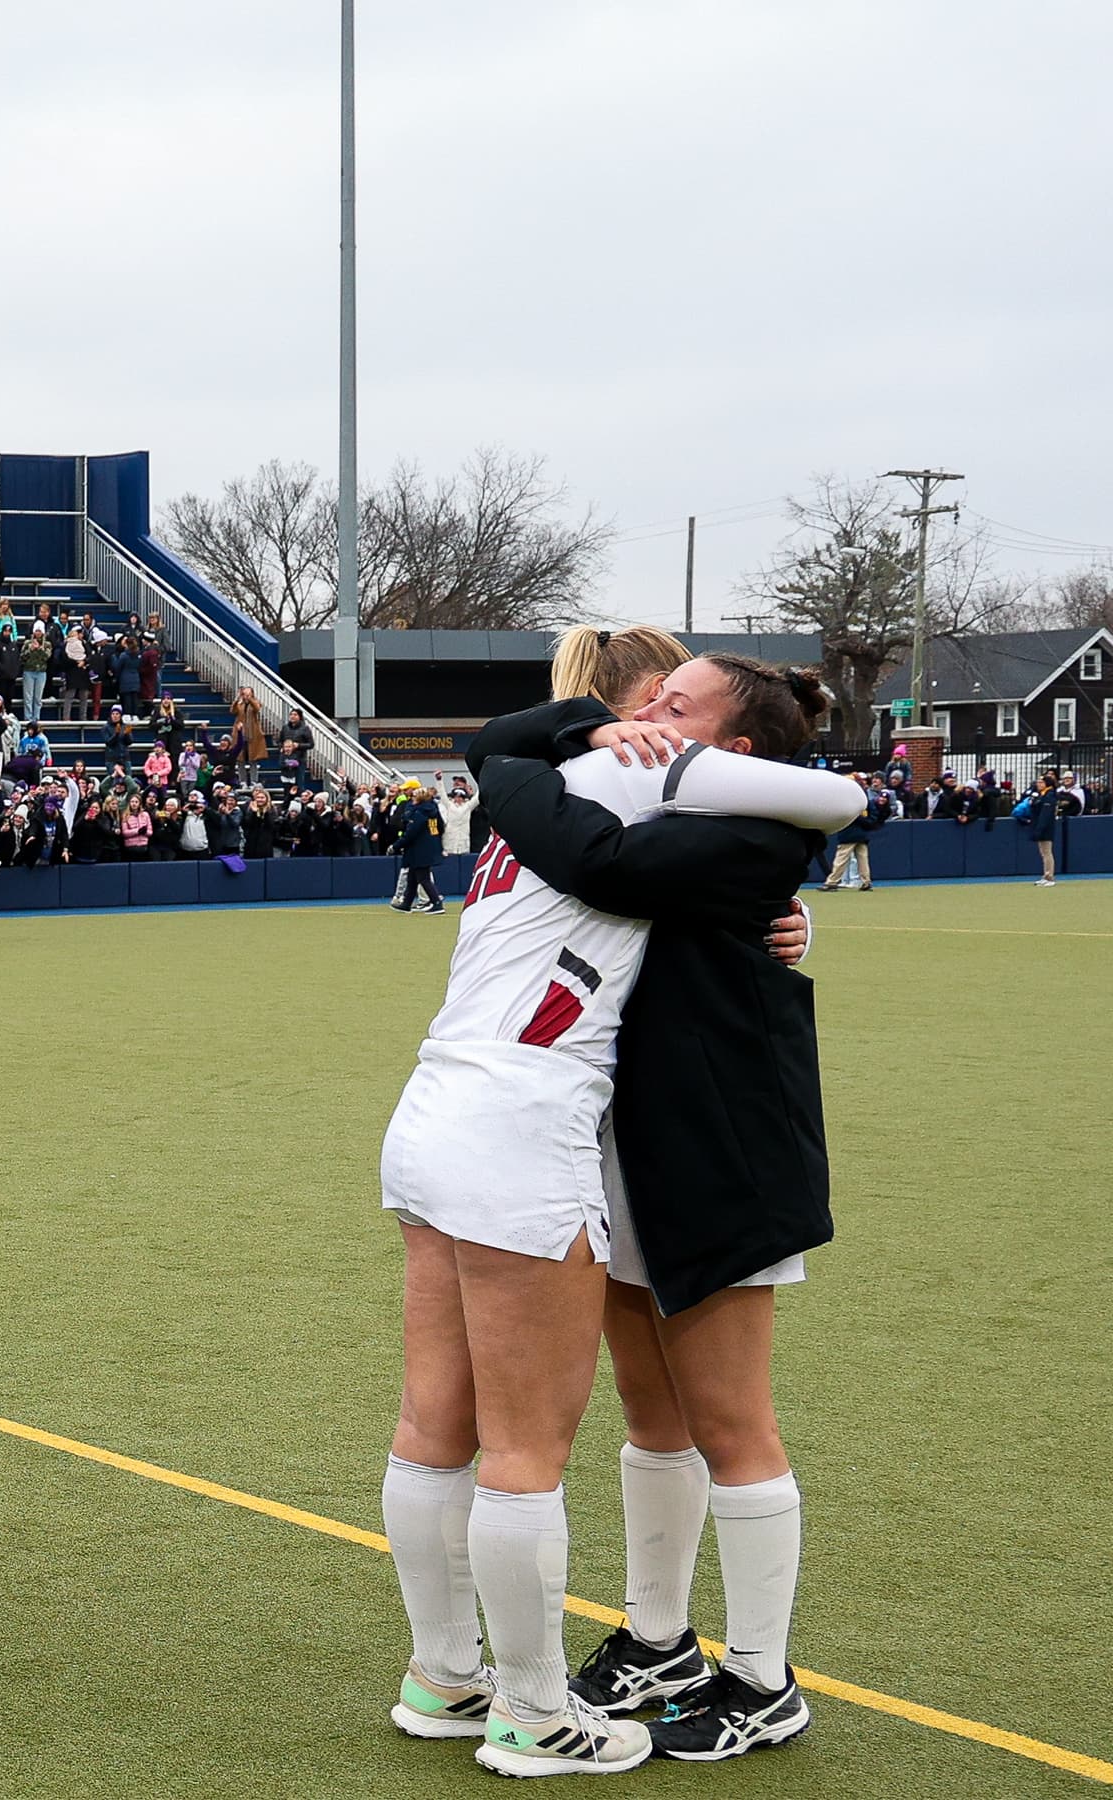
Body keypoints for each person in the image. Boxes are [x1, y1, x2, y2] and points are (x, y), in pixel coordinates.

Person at [376, 626, 853, 1776]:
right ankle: (577, 1684)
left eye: (674, 705)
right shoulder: (621, 779)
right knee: (567, 1438)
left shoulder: (608, 796)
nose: (653, 719)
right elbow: (812, 805)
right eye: (649, 698)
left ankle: (483, 1677)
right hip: (553, 1127)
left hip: (580, 1128)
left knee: (475, 1425)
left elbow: (523, 775)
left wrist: (785, 912)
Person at [392, 781, 448, 913]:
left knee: (423, 878)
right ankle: (406, 903)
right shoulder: (432, 810)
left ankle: (437, 903)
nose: (412, 800)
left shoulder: (419, 813)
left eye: (414, 797)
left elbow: (411, 833)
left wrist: (396, 845)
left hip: (419, 849)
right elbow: (440, 827)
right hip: (429, 846)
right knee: (412, 876)